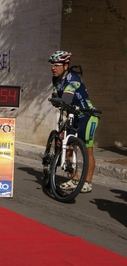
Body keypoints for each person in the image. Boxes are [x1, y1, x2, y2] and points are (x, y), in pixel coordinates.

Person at [48, 51, 99, 193]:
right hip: (73, 115)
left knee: (87, 149)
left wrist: (60, 101)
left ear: (66, 65)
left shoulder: (73, 78)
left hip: (87, 115)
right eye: (52, 65)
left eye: (57, 65)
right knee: (68, 146)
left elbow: (66, 98)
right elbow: (55, 97)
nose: (53, 68)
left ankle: (87, 182)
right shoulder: (56, 79)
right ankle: (74, 178)